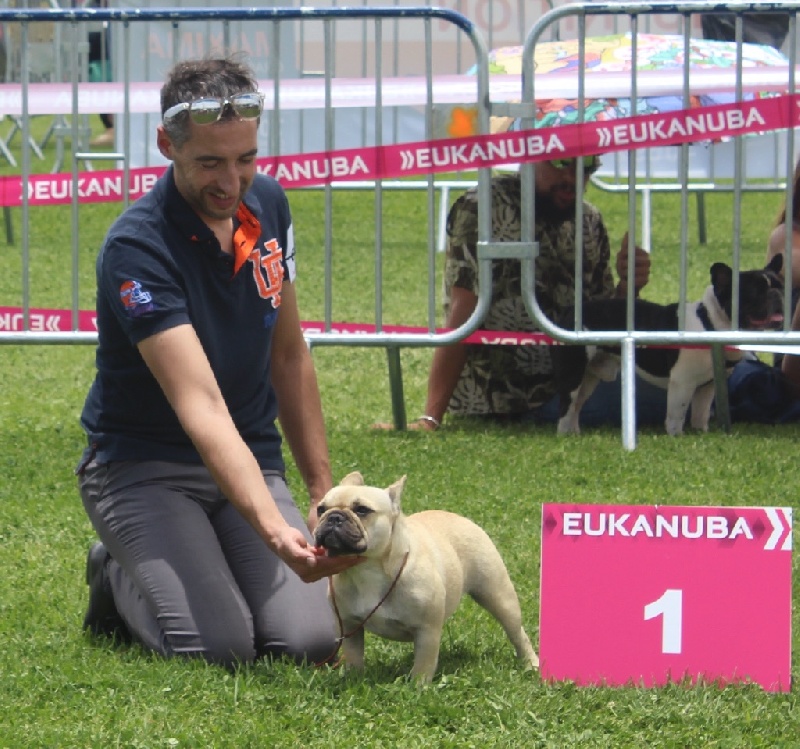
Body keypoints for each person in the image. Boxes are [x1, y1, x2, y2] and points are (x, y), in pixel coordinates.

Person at [77, 56, 361, 669]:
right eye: (210, 162)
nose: (232, 183)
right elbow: (200, 405)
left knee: (306, 642)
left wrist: (319, 493)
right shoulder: (136, 247)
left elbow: (288, 354)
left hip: (251, 459)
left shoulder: (270, 207)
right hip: (143, 466)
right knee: (220, 648)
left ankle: (212, 553)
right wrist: (268, 527)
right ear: (165, 144)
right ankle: (115, 574)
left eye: (246, 159)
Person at [382, 157, 668, 432]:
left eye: (586, 167)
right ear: (529, 157)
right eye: (560, 163)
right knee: (691, 390)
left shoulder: (589, 219)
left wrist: (628, 286)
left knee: (692, 379)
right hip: (514, 398)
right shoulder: (484, 208)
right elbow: (462, 313)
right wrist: (431, 417)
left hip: (583, 378)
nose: (571, 177)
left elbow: (600, 323)